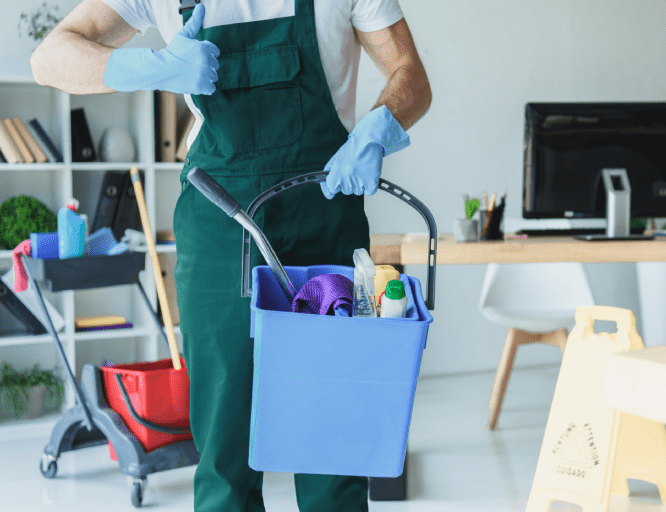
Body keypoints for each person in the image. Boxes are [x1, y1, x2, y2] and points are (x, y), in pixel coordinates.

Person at [30, 0, 431, 510]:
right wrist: (150, 67)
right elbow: (50, 59)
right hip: (222, 223)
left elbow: (410, 74)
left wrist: (379, 125)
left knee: (333, 438)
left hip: (323, 211)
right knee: (224, 446)